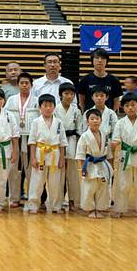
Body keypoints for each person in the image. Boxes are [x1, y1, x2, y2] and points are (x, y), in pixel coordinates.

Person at [26, 94, 67, 214]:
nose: (48, 108)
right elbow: (32, 141)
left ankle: (56, 206)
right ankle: (33, 205)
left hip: (55, 153)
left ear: (54, 107)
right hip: (40, 153)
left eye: (50, 106)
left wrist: (62, 159)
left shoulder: (59, 122)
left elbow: (62, 142)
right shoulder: (35, 122)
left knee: (55, 182)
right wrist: (33, 157)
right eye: (45, 106)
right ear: (40, 107)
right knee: (37, 182)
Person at [4, 72, 39, 207]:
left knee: (31, 169)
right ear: (18, 85)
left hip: (31, 138)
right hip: (15, 138)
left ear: (31, 85)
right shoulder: (12, 100)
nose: (24, 85)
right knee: (14, 168)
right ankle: (14, 197)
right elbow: (6, 117)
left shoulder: (37, 100)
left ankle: (32, 198)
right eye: (22, 83)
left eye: (27, 83)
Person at [75, 109, 113, 218]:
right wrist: (83, 169)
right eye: (92, 119)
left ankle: (100, 208)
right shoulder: (84, 136)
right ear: (87, 121)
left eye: (97, 119)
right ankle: (89, 209)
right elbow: (80, 154)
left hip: (102, 163)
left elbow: (109, 153)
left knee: (103, 187)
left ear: (101, 120)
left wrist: (110, 166)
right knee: (89, 187)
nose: (95, 121)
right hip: (90, 164)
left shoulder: (105, 135)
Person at [55, 82, 82, 212]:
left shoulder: (76, 111)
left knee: (72, 174)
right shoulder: (55, 109)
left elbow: (80, 130)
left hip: (72, 141)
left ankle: (73, 200)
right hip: (58, 143)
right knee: (59, 174)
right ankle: (58, 201)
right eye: (66, 93)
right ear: (60, 95)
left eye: (71, 94)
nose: (69, 96)